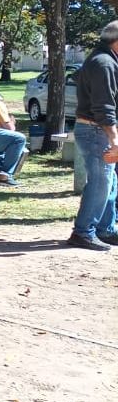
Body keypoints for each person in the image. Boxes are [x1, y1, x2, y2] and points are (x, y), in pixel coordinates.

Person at [67, 21, 118, 250]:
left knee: (109, 181)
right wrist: (114, 139)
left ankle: (105, 229)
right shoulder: (103, 63)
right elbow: (104, 106)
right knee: (100, 182)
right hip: (96, 130)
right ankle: (83, 232)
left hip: (97, 129)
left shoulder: (103, 60)